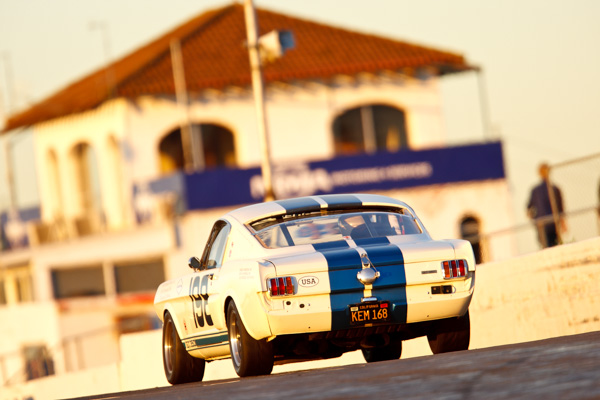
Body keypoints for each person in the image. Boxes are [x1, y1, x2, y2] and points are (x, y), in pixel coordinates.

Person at [527, 163, 565, 248]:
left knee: (546, 248)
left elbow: (528, 209)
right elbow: (561, 208)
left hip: (542, 225)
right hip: (553, 223)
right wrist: (563, 223)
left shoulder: (535, 191)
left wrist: (534, 220)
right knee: (555, 246)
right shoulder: (555, 189)